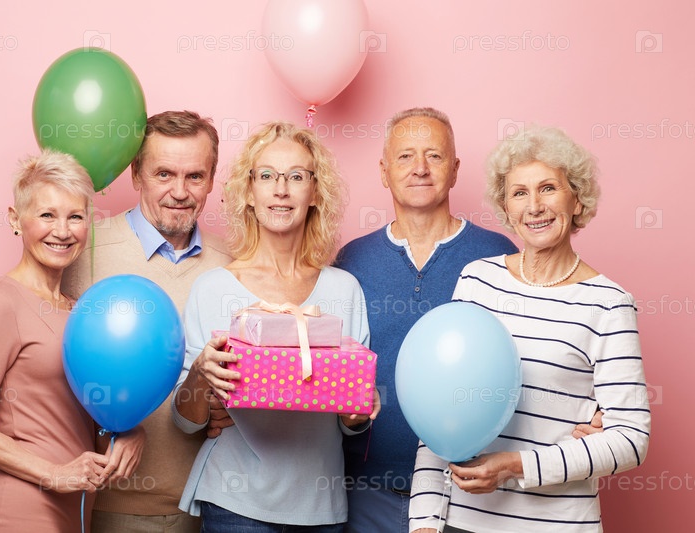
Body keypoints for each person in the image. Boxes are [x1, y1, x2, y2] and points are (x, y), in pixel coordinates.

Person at [409, 125, 651, 532]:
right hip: (461, 521)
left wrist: (517, 466)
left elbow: (631, 438)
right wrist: (424, 522)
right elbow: (439, 408)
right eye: (519, 193)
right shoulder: (477, 280)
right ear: (506, 208)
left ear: (577, 198)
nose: (534, 206)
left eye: (548, 188)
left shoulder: (609, 303)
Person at [172, 121, 379, 532]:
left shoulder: (345, 289)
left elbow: (351, 423)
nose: (281, 189)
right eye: (266, 176)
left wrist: (360, 411)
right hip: (233, 501)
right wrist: (199, 373)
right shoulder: (212, 288)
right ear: (249, 192)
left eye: (296, 177)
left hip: (320, 506)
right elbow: (186, 421)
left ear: (315, 192)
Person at [335, 107, 518, 532]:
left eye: (434, 156)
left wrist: (584, 409)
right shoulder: (352, 260)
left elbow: (535, 350)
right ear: (384, 171)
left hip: (471, 494)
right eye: (405, 156)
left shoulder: (499, 256)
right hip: (368, 493)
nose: (420, 168)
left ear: (455, 170)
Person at [0, 150, 144, 532]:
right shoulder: (0, 303)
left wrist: (129, 432)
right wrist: (53, 474)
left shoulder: (78, 311)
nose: (63, 231)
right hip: (19, 506)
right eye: (47, 215)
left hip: (75, 507)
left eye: (75, 217)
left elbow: (80, 413)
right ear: (15, 219)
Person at [62, 110, 232, 533]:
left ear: (212, 179)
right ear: (136, 173)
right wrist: (110, 427)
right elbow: (45, 372)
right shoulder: (82, 251)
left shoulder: (234, 263)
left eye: (195, 176)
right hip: (112, 507)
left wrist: (236, 412)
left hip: (212, 506)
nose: (180, 192)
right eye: (164, 174)